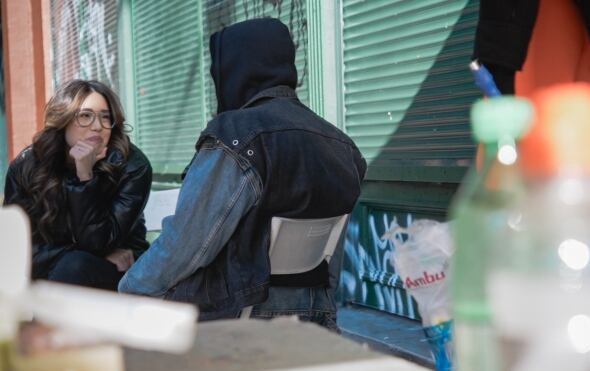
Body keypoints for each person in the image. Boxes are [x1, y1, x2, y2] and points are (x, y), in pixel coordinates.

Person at [118, 18, 367, 329]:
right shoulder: (342, 145)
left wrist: (128, 288)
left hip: (235, 312)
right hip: (315, 312)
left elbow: (187, 246)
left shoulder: (236, 136)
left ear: (235, 70)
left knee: (141, 297)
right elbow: (331, 260)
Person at [4, 79, 153, 290]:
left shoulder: (132, 166)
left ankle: (45, 324)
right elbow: (16, 248)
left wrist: (85, 175)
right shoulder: (27, 166)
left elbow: (98, 243)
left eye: (106, 117)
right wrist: (69, 253)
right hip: (55, 268)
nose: (97, 126)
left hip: (111, 271)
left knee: (73, 267)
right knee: (68, 265)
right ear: (63, 120)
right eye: (85, 116)